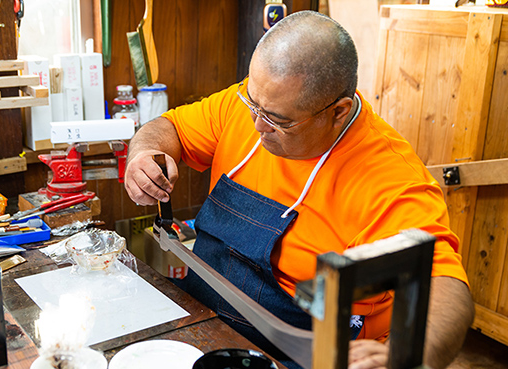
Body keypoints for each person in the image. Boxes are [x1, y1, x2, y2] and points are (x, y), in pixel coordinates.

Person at [124, 10, 474, 369]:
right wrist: (143, 154)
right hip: (206, 311)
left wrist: (408, 355)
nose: (257, 124)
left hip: (304, 352)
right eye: (252, 103)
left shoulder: (389, 177)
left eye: (278, 120)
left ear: (338, 111)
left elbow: (445, 290)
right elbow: (171, 128)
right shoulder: (252, 102)